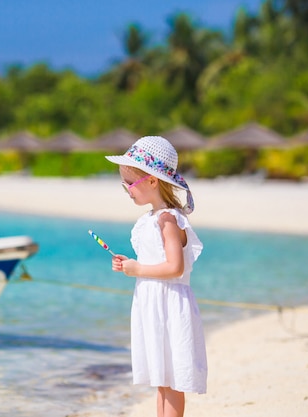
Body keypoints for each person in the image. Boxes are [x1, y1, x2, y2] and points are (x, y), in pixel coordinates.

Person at [105, 136, 207, 417]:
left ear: (152, 181)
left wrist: (139, 270)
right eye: (123, 184)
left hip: (170, 304)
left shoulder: (168, 219)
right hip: (153, 303)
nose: (126, 190)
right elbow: (155, 260)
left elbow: (175, 267)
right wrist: (131, 264)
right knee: (162, 379)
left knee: (173, 379)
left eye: (130, 183)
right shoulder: (150, 219)